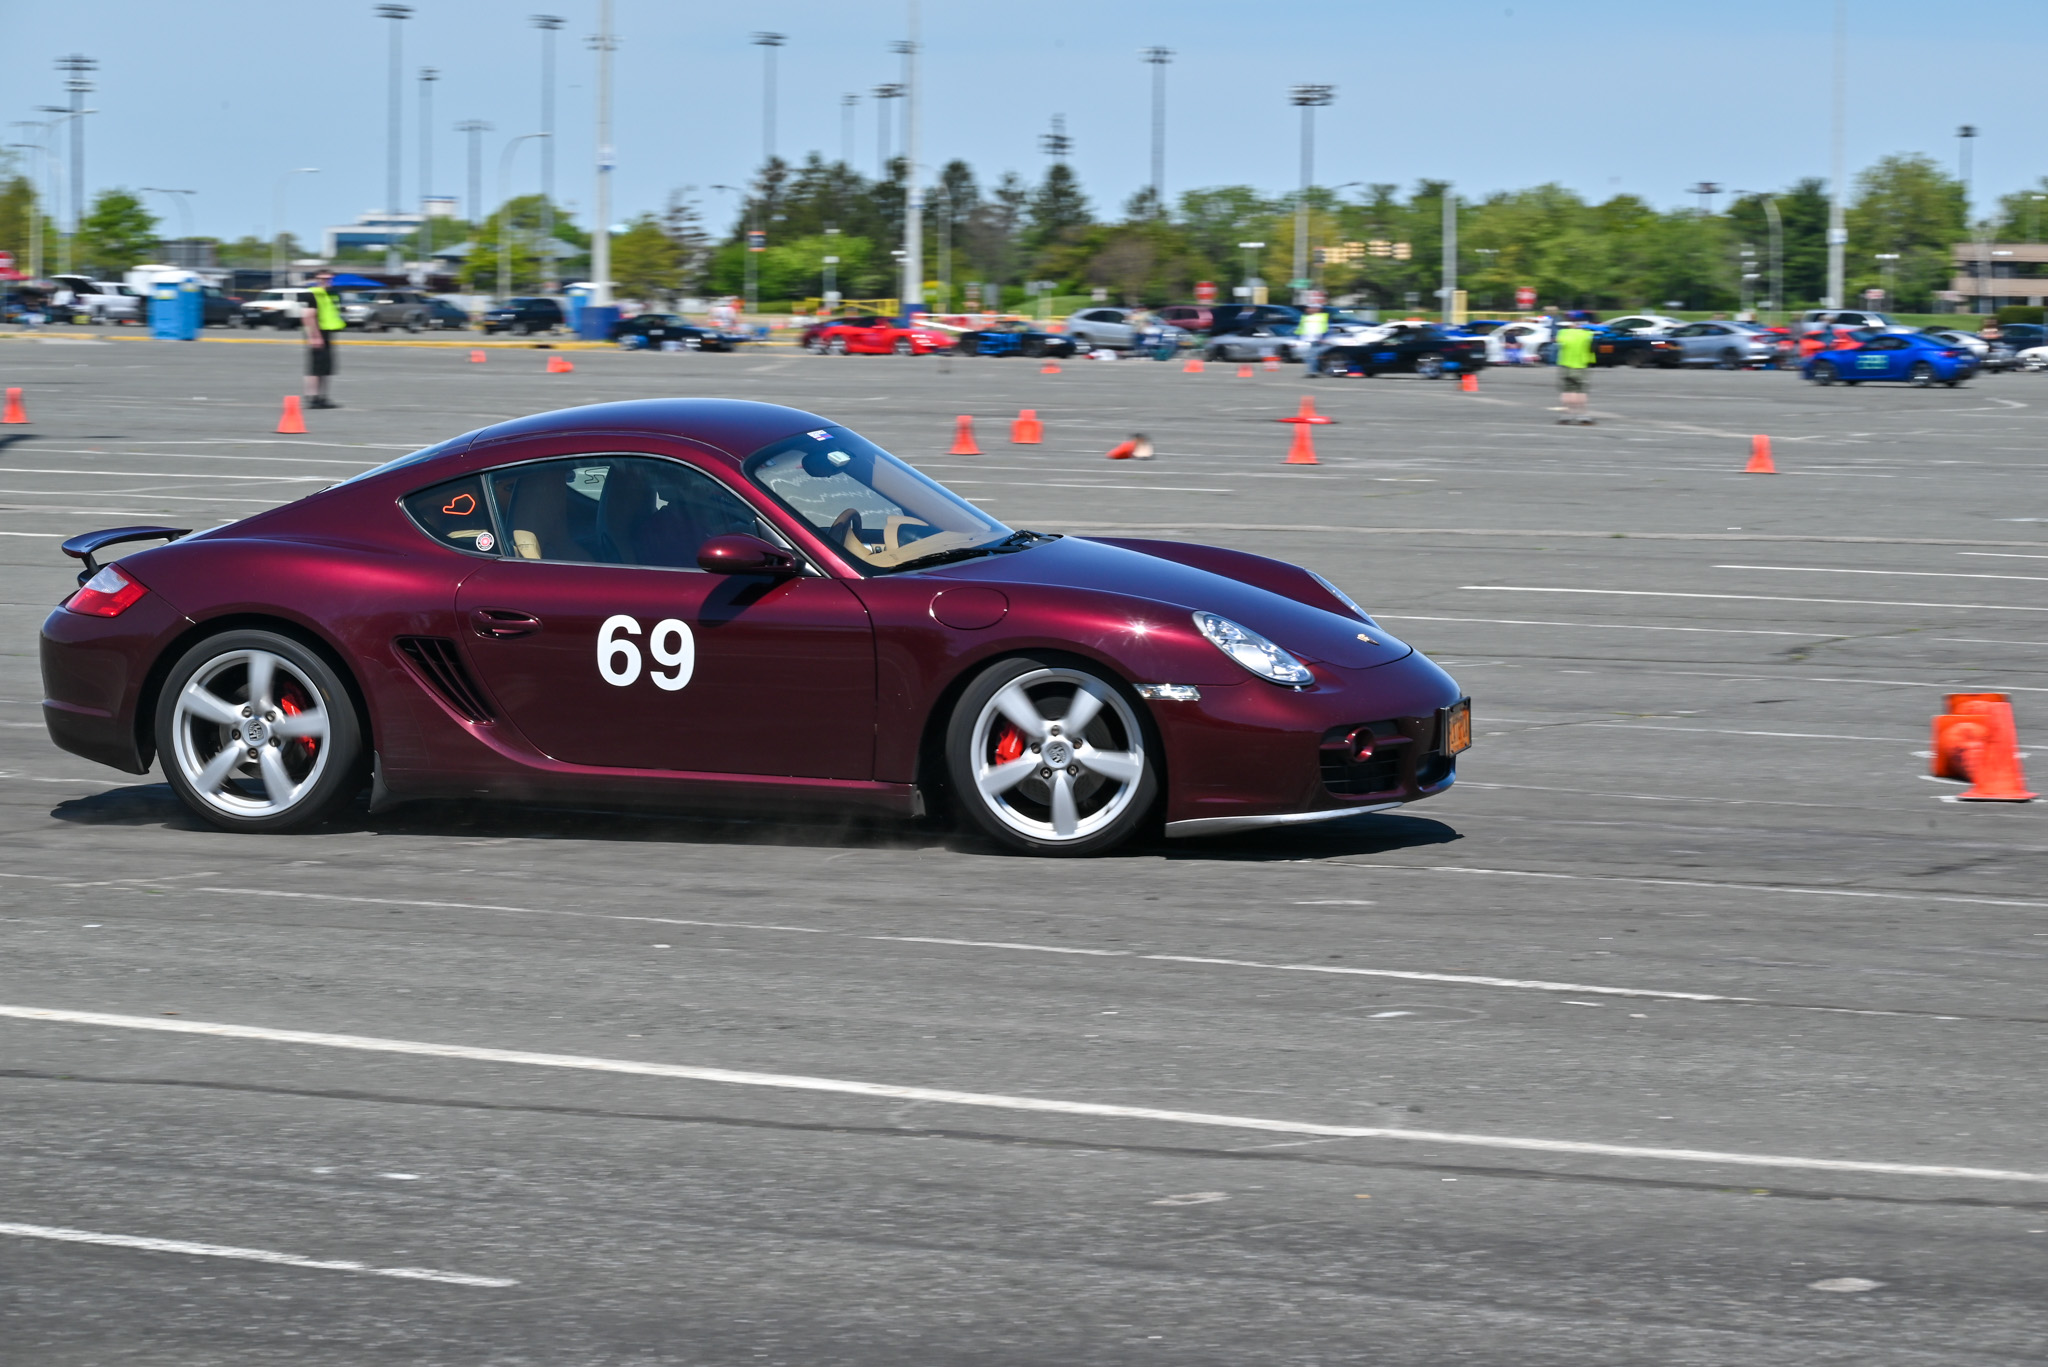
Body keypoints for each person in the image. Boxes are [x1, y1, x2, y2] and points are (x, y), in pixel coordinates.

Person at [302, 270, 346, 409]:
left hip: (328, 332)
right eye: (322, 279)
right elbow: (308, 316)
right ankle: (313, 397)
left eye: (328, 279)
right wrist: (314, 336)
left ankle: (323, 397)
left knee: (326, 368)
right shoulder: (312, 293)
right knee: (316, 367)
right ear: (316, 279)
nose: (326, 281)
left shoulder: (331, 294)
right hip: (318, 333)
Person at [1555, 318, 1596, 424]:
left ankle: (1565, 415)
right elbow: (1592, 348)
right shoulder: (1587, 334)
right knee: (1581, 391)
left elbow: (1558, 342)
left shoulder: (1563, 333)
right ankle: (1582, 415)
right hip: (1580, 365)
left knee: (1567, 391)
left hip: (1565, 365)